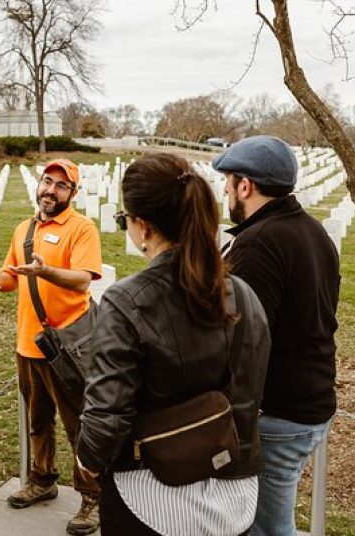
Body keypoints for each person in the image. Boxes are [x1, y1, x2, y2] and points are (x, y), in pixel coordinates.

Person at [76, 153, 271, 536]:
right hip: (235, 491)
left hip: (153, 497)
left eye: (124, 220)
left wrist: (87, 462)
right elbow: (253, 386)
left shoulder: (125, 301)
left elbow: (108, 413)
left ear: (143, 226)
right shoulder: (242, 293)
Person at [212, 135, 340, 536]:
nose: (226, 192)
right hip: (310, 401)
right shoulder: (312, 231)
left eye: (228, 183)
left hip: (279, 413)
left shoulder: (259, 244)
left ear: (245, 186)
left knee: (265, 527)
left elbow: (241, 339)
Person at [0, 158, 102, 535]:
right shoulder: (24, 228)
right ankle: (43, 479)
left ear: (73, 192)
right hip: (28, 342)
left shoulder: (82, 229)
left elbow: (83, 281)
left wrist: (45, 270)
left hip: (67, 346)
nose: (50, 190)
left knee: (77, 425)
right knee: (37, 422)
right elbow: (12, 273)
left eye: (60, 185)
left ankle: (93, 498)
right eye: (46, 182)